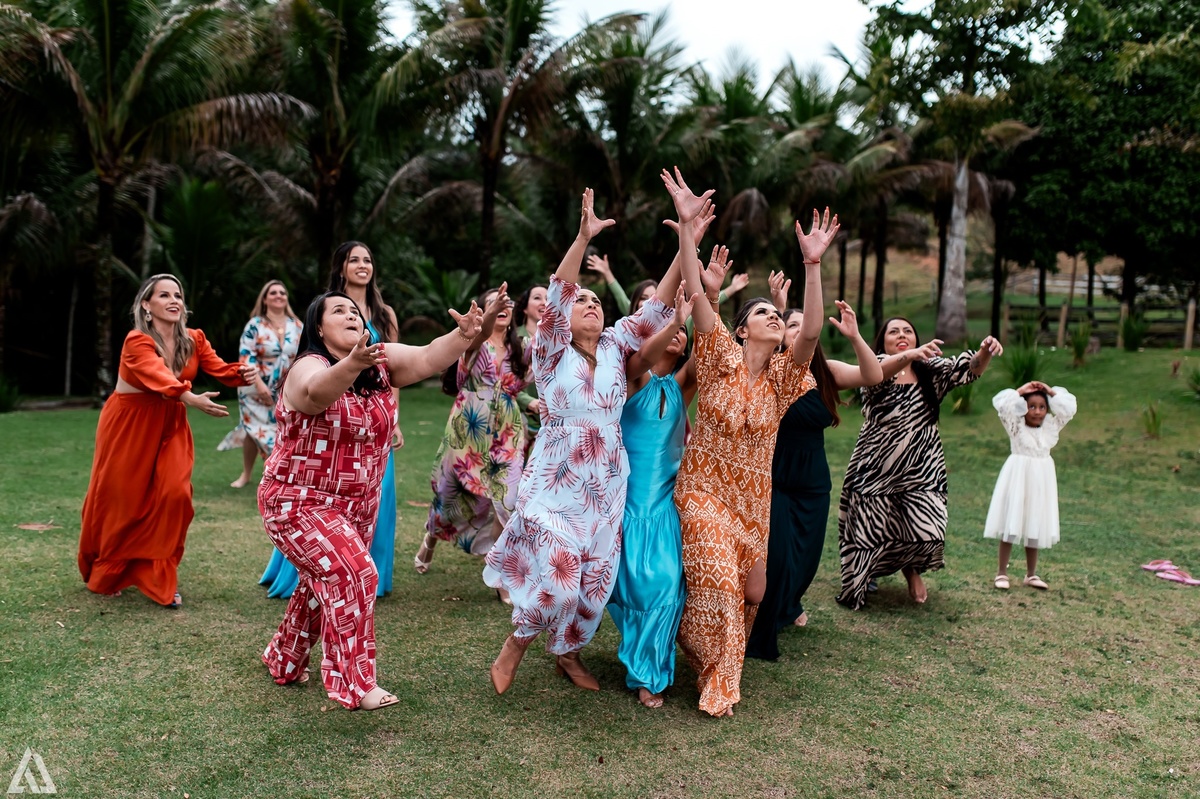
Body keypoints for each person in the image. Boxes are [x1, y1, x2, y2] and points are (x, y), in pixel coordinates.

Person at [482, 189, 680, 695]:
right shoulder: (550, 349)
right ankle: (518, 643)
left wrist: (687, 239)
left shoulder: (615, 345)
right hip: (556, 479)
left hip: (607, 482)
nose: (591, 305)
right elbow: (561, 290)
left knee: (595, 583)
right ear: (564, 316)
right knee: (561, 578)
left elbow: (658, 306)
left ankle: (568, 654)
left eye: (597, 301)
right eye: (583, 301)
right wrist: (583, 237)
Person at [663, 166, 836, 718]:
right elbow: (695, 291)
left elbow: (809, 331)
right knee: (714, 573)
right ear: (742, 328)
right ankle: (716, 675)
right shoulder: (717, 357)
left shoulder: (786, 379)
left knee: (753, 595)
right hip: (703, 490)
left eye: (772, 313)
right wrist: (689, 233)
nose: (771, 317)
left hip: (752, 503)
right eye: (761, 311)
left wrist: (812, 265)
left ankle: (687, 640)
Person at [260, 291, 484, 710]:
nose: (350, 315)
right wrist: (352, 364)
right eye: (338, 311)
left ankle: (283, 657)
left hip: (357, 505)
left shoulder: (379, 363)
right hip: (297, 503)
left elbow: (427, 356)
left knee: (319, 584)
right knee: (355, 575)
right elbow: (315, 395)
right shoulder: (307, 366)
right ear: (319, 328)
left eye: (355, 311)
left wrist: (463, 336)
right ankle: (355, 684)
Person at [79, 274, 255, 607]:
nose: (174, 300)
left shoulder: (193, 338)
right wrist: (190, 398)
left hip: (171, 424)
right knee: (122, 501)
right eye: (164, 295)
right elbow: (156, 375)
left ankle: (160, 578)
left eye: (178, 294)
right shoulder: (136, 341)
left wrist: (242, 373)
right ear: (147, 305)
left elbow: (220, 368)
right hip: (129, 424)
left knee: (175, 495)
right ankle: (109, 570)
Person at [607, 207, 714, 709]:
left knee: (668, 587)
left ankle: (651, 672)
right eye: (669, 323)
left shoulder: (681, 384)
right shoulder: (634, 375)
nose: (677, 330)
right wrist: (673, 313)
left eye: (680, 326)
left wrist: (706, 291)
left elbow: (709, 341)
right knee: (628, 591)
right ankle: (630, 654)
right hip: (626, 506)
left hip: (664, 509)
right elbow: (645, 353)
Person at [745, 287, 883, 661]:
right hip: (774, 477)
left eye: (803, 323)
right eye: (790, 323)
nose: (799, 328)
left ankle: (788, 606)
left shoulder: (825, 371)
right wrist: (776, 303)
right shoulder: (771, 371)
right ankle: (760, 627)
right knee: (777, 555)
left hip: (813, 481)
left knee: (805, 560)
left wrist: (855, 337)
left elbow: (873, 375)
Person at [258, 241, 401, 598]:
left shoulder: (384, 314)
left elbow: (394, 369)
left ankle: (369, 575)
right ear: (341, 267)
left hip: (375, 421)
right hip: (332, 422)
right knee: (319, 501)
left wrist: (393, 419)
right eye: (355, 260)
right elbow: (313, 367)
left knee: (374, 501)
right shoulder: (327, 309)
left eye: (368, 259)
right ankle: (315, 573)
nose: (363, 265)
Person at [836, 317, 1003, 610]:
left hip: (922, 463)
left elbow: (968, 369)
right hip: (878, 463)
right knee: (871, 525)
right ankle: (867, 573)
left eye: (908, 331)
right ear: (882, 341)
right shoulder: (875, 365)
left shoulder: (931, 370)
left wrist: (985, 351)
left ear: (916, 338)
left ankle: (912, 570)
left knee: (925, 526)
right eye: (894, 331)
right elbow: (872, 376)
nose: (902, 335)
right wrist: (906, 356)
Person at [417, 284, 528, 592]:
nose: (500, 305)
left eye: (504, 302)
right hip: (470, 429)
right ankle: (431, 535)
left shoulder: (523, 347)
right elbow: (480, 334)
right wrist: (488, 316)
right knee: (452, 499)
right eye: (492, 303)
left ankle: (501, 575)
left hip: (508, 431)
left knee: (508, 500)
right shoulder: (474, 344)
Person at [985, 381, 1076, 591]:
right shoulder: (1015, 427)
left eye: (1042, 407)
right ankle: (1002, 572)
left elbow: (1069, 410)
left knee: (1035, 521)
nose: (1036, 412)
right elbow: (1003, 406)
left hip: (1041, 478)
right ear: (1023, 407)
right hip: (1018, 475)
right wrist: (1021, 391)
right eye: (1031, 406)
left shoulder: (1051, 427)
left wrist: (1051, 391)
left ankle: (1031, 574)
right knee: (1011, 521)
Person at [219, 280, 302, 488]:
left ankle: (275, 475)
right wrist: (259, 385)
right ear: (264, 299)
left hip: (286, 388)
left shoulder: (297, 325)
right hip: (254, 387)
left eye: (282, 292)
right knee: (253, 429)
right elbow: (246, 357)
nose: (278, 295)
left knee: (281, 429)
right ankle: (250, 475)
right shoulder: (254, 325)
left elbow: (304, 355)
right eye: (273, 292)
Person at [586, 253, 748, 316]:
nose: (649, 302)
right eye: (643, 298)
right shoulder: (630, 320)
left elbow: (704, 305)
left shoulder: (678, 322)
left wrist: (731, 289)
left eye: (654, 298)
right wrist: (607, 273)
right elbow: (620, 295)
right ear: (634, 303)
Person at [513, 285, 547, 458]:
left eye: (548, 298)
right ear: (525, 308)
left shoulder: (562, 341)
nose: (544, 302)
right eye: (537, 297)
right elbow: (500, 380)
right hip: (518, 417)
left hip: (551, 422)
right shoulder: (512, 339)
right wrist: (528, 401)